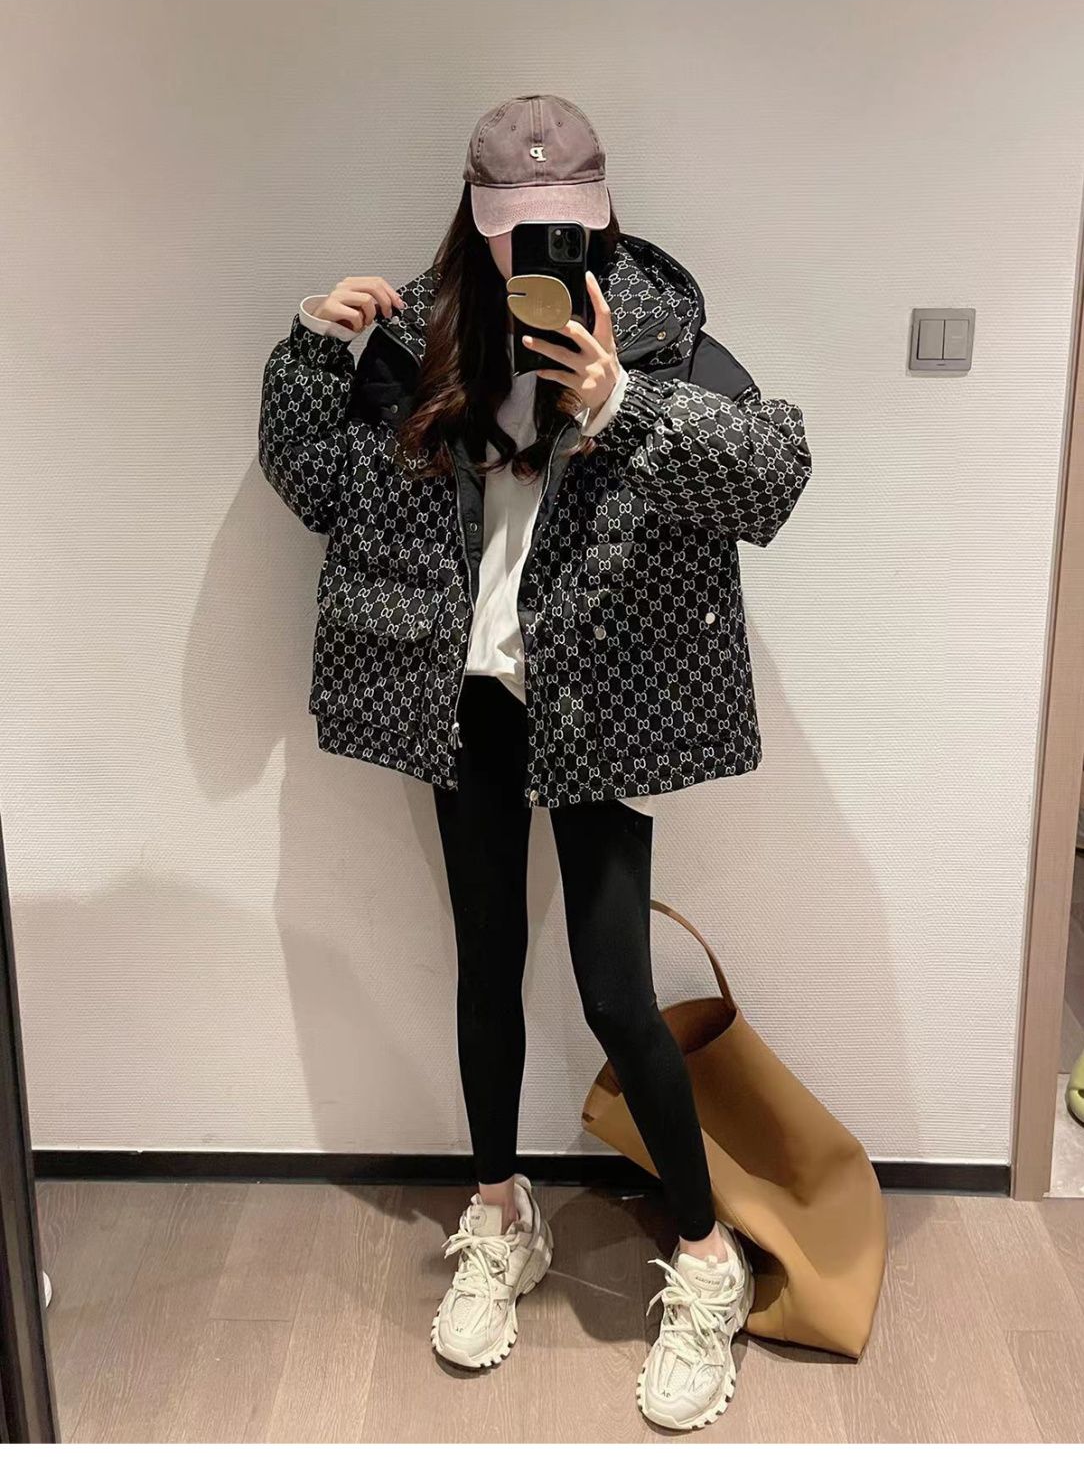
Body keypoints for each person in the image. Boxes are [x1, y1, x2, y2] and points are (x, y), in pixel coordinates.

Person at [258, 93, 812, 1433]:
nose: (538, 248)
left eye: (563, 224)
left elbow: (776, 481)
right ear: (476, 214)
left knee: (617, 991)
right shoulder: (417, 339)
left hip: (604, 704)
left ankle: (707, 1259)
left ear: (602, 213)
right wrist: (312, 351)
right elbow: (314, 487)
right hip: (465, 707)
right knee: (485, 963)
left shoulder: (659, 333)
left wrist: (624, 402)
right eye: (517, 226)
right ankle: (500, 1211)